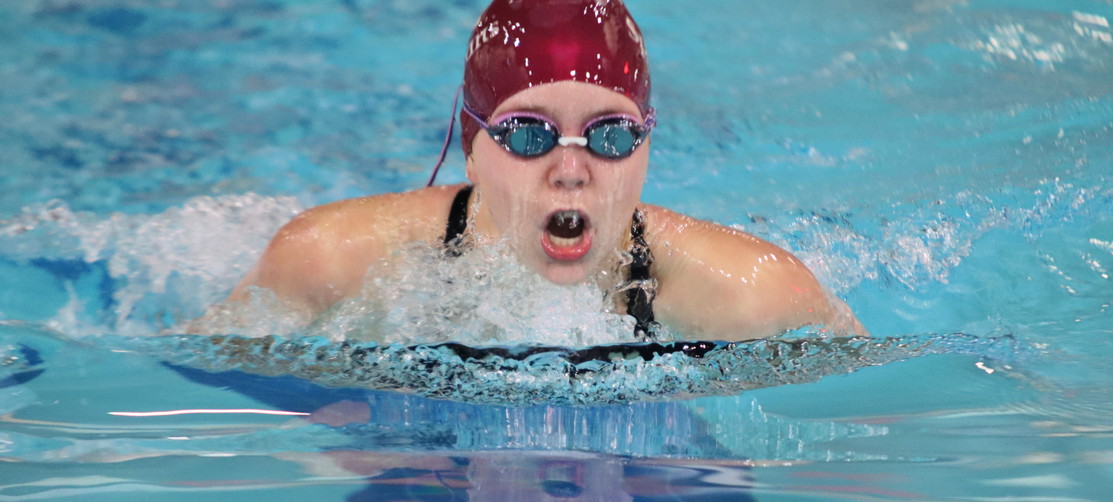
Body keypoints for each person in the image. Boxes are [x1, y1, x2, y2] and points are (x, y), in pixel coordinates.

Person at [225, 0, 864, 342]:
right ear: (472, 149)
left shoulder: (754, 294)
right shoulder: (330, 260)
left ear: (647, 145)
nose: (570, 170)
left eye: (610, 135)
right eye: (528, 134)